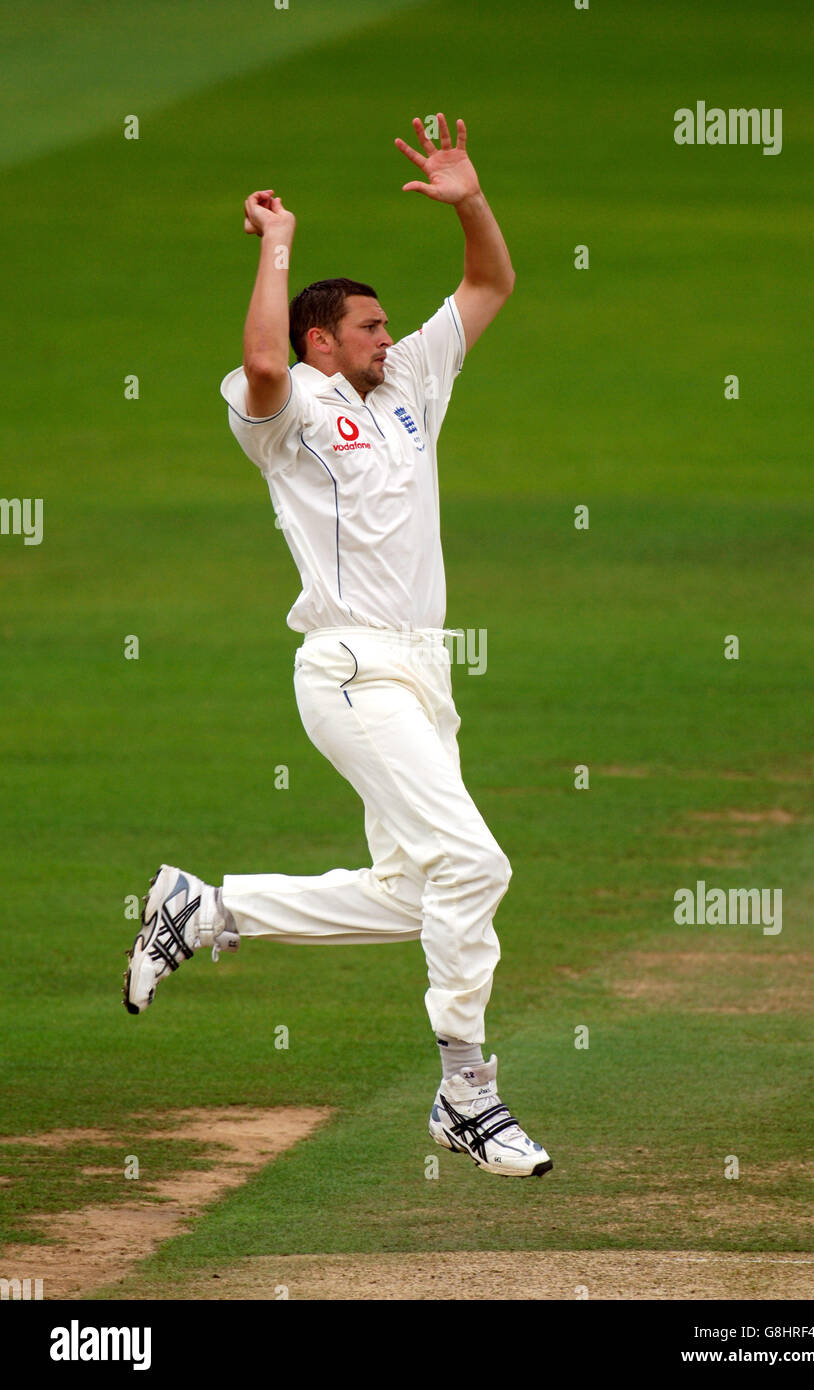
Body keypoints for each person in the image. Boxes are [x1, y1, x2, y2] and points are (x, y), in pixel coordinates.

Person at [123, 115, 552, 1179]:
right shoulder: (290, 409)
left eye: (384, 324)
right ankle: (467, 1090)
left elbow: (492, 286)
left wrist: (468, 201)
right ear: (326, 340)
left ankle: (212, 905)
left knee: (418, 894)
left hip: (421, 670)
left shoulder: (408, 385)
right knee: (476, 862)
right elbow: (261, 356)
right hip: (350, 667)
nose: (383, 333)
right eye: (366, 324)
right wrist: (277, 241)